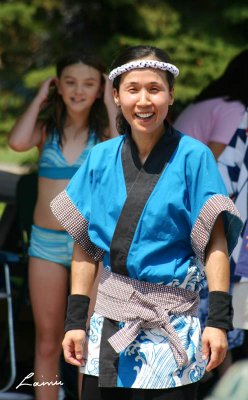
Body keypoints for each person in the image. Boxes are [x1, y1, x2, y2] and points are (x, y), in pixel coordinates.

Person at [51, 45, 243, 400]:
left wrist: (218, 320)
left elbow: (216, 243)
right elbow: (85, 245)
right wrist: (75, 321)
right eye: (133, 88)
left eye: (154, 89)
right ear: (115, 95)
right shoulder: (99, 158)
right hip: (110, 321)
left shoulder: (195, 156)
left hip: (173, 325)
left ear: (171, 96)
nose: (144, 100)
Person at [8, 51, 117, 400]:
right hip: (45, 244)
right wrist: (40, 96)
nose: (78, 90)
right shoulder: (46, 128)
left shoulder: (103, 132)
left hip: (88, 246)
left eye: (89, 83)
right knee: (47, 338)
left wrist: (111, 96)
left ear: (100, 88)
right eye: (69, 82)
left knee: (87, 336)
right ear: (58, 85)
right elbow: (17, 142)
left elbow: (121, 144)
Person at [174, 49, 248, 371]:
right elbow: (212, 168)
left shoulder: (208, 102)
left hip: (185, 213)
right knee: (212, 329)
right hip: (202, 222)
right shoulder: (233, 109)